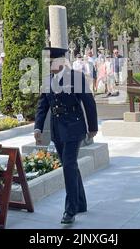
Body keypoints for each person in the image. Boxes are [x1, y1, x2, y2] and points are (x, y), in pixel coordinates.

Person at [34, 47, 98, 224]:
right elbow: (43, 105)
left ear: (61, 62)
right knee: (70, 165)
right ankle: (81, 202)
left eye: (51, 62)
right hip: (57, 129)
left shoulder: (76, 77)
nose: (48, 65)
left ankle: (70, 210)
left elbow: (89, 102)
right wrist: (37, 128)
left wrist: (92, 127)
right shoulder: (48, 80)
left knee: (69, 165)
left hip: (74, 127)